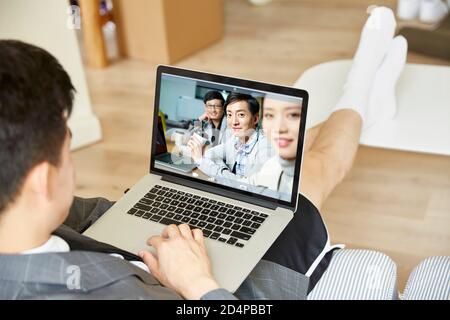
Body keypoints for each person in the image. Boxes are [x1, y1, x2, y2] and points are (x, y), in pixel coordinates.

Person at [0, 6, 407, 300]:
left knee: (291, 156)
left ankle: (365, 99)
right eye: (68, 153)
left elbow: (86, 214)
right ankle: (362, 84)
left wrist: (139, 211)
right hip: (218, 285)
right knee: (310, 175)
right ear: (42, 178)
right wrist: (198, 285)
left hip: (161, 246)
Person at [188, 92, 274, 181]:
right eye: (229, 114)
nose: (234, 122)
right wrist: (225, 172)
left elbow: (246, 186)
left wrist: (204, 163)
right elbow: (210, 153)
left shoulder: (266, 148)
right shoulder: (235, 139)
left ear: (255, 119)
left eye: (241, 115)